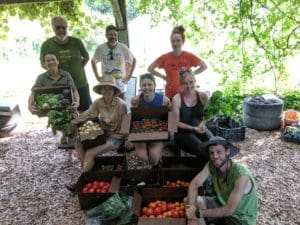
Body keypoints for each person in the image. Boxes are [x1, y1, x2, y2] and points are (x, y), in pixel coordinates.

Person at [185, 136, 258, 225]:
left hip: (240, 220)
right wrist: (191, 209)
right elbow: (194, 184)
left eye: (218, 152)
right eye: (211, 153)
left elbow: (229, 210)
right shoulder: (211, 165)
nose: (215, 156)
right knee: (191, 201)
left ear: (227, 152)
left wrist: (197, 213)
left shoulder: (241, 176)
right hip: (223, 204)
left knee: (195, 214)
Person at [28, 53, 80, 161]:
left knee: (74, 122)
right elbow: (34, 93)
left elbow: (74, 90)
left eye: (53, 59)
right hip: (52, 109)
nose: (51, 62)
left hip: (67, 106)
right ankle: (64, 136)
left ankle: (70, 152)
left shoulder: (66, 75)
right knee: (59, 122)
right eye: (48, 61)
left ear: (57, 61)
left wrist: (77, 102)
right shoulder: (41, 77)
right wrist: (30, 105)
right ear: (44, 64)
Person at [72, 76, 127, 172]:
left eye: (110, 88)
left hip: (116, 137)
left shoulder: (121, 104)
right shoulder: (98, 102)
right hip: (103, 133)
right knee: (78, 142)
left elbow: (126, 123)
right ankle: (88, 168)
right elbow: (89, 114)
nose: (107, 90)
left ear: (114, 90)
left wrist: (126, 140)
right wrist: (74, 122)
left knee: (90, 153)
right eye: (104, 88)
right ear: (101, 90)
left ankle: (83, 178)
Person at [40, 16, 92, 112]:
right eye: (58, 27)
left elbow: (86, 57)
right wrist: (56, 73)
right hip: (61, 86)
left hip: (80, 84)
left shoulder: (77, 42)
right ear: (52, 27)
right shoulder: (47, 45)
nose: (61, 30)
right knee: (64, 114)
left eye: (64, 27)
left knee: (85, 112)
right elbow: (43, 64)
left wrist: (78, 68)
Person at [148, 25, 207, 99]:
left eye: (178, 41)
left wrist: (192, 74)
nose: (175, 44)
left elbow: (204, 66)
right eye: (173, 41)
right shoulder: (165, 57)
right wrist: (163, 77)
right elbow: (150, 69)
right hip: (170, 95)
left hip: (186, 95)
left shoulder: (189, 56)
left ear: (183, 41)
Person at [130, 73, 171, 166]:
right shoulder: (135, 101)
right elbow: (133, 118)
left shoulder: (164, 100)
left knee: (154, 158)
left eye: (149, 84)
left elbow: (169, 117)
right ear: (140, 86)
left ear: (155, 85)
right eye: (144, 85)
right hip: (141, 131)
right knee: (142, 156)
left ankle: (160, 148)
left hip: (158, 132)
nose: (147, 87)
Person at [172, 69, 213, 159]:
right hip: (183, 133)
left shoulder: (203, 96)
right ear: (181, 84)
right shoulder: (176, 99)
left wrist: (203, 124)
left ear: (195, 81)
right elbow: (174, 123)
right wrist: (193, 128)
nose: (189, 85)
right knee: (203, 150)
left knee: (215, 145)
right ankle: (207, 170)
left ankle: (218, 169)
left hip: (200, 128)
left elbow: (208, 114)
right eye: (185, 83)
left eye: (191, 82)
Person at [91, 25, 136, 100]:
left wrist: (128, 77)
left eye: (115, 35)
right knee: (107, 107)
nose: (113, 37)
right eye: (111, 34)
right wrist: (97, 76)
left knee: (121, 107)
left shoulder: (123, 47)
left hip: (119, 85)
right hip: (106, 85)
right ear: (106, 35)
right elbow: (93, 61)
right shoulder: (101, 48)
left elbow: (133, 60)